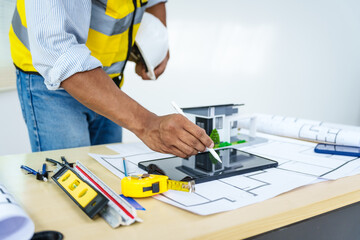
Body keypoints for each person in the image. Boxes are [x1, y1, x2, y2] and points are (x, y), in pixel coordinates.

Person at [9, 0, 214, 158]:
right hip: (51, 83)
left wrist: (157, 36)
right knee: (72, 189)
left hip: (108, 81)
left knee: (106, 181)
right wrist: (147, 124)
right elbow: (57, 52)